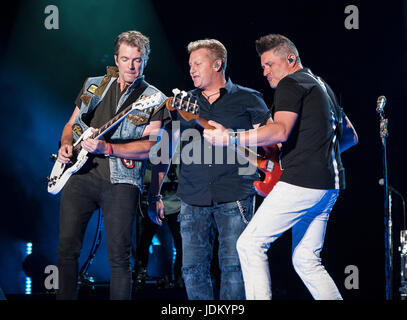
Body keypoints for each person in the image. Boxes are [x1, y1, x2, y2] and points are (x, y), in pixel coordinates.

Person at [203, 34, 358, 300]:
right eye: (262, 66)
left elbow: (280, 131)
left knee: (250, 243)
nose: (265, 72)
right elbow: (350, 136)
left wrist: (229, 137)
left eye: (270, 64)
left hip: (302, 183)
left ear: (290, 59)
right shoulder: (322, 86)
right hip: (329, 187)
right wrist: (316, 154)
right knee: (306, 259)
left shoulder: (291, 83)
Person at [55, 30, 170, 300]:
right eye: (126, 59)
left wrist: (109, 148)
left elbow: (153, 146)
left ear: (145, 61)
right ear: (116, 59)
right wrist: (65, 144)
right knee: (66, 250)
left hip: (122, 181)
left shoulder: (154, 97)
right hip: (80, 175)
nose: (132, 65)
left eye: (138, 60)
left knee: (119, 258)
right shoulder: (94, 85)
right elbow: (71, 125)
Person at [167, 39, 269, 300]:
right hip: (192, 195)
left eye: (197, 63)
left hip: (235, 193)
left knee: (234, 267)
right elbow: (166, 146)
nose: (191, 69)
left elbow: (271, 140)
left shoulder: (249, 98)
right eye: (190, 65)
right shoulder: (184, 102)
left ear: (217, 64)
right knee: (191, 270)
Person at [134, 162, 183, 288]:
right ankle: (141, 273)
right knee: (144, 241)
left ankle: (179, 277)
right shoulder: (153, 149)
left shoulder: (182, 149)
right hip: (153, 205)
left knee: (181, 244)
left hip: (176, 205)